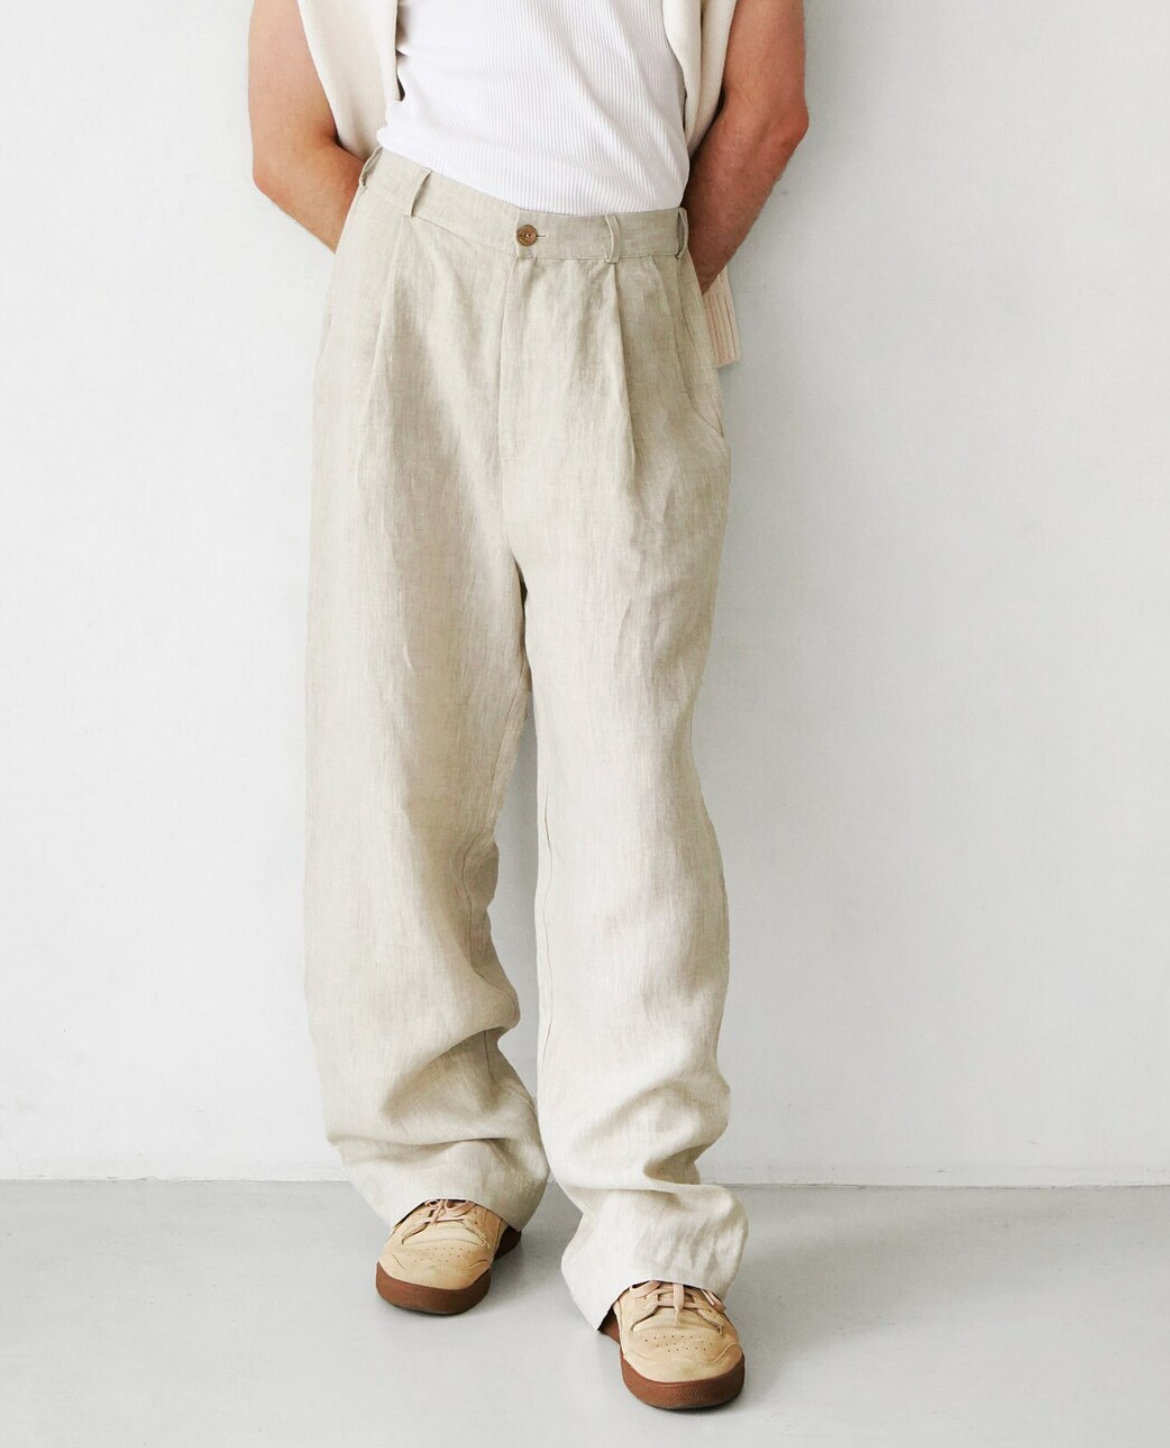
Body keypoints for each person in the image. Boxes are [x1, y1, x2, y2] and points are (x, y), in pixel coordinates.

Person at [248, 0, 807, 1411]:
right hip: (415, 283)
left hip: (629, 282)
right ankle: (441, 1163)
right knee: (399, 745)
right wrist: (431, 272)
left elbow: (766, 113)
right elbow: (283, 136)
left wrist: (624, 293)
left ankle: (651, 1231)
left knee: (630, 785)